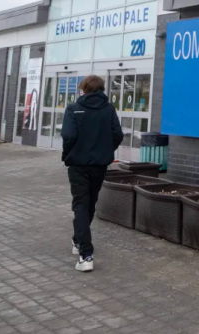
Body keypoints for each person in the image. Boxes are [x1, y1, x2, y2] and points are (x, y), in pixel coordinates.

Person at [61, 75, 124, 272]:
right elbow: (117, 135)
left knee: (81, 205)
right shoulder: (109, 109)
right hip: (99, 164)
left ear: (84, 89)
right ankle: (78, 240)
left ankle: (85, 254)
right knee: (89, 204)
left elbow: (68, 135)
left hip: (78, 164)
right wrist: (105, 151)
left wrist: (68, 154)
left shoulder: (74, 108)